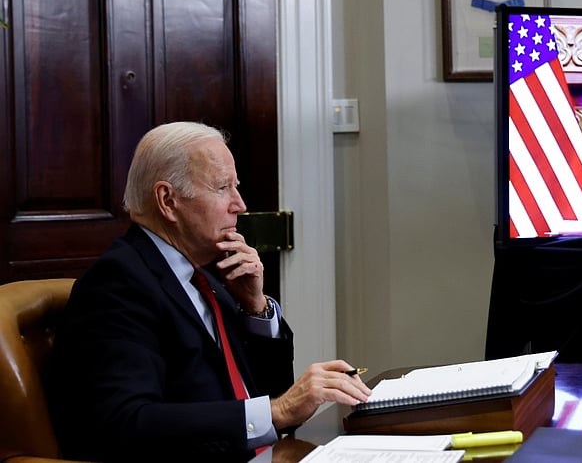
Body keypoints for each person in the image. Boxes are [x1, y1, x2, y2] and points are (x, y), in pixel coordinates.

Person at [48, 121, 371, 462]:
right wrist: (278, 412)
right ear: (168, 200)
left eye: (237, 187)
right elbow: (127, 422)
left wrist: (256, 308)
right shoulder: (118, 283)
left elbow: (269, 395)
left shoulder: (209, 275)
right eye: (222, 188)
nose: (240, 204)